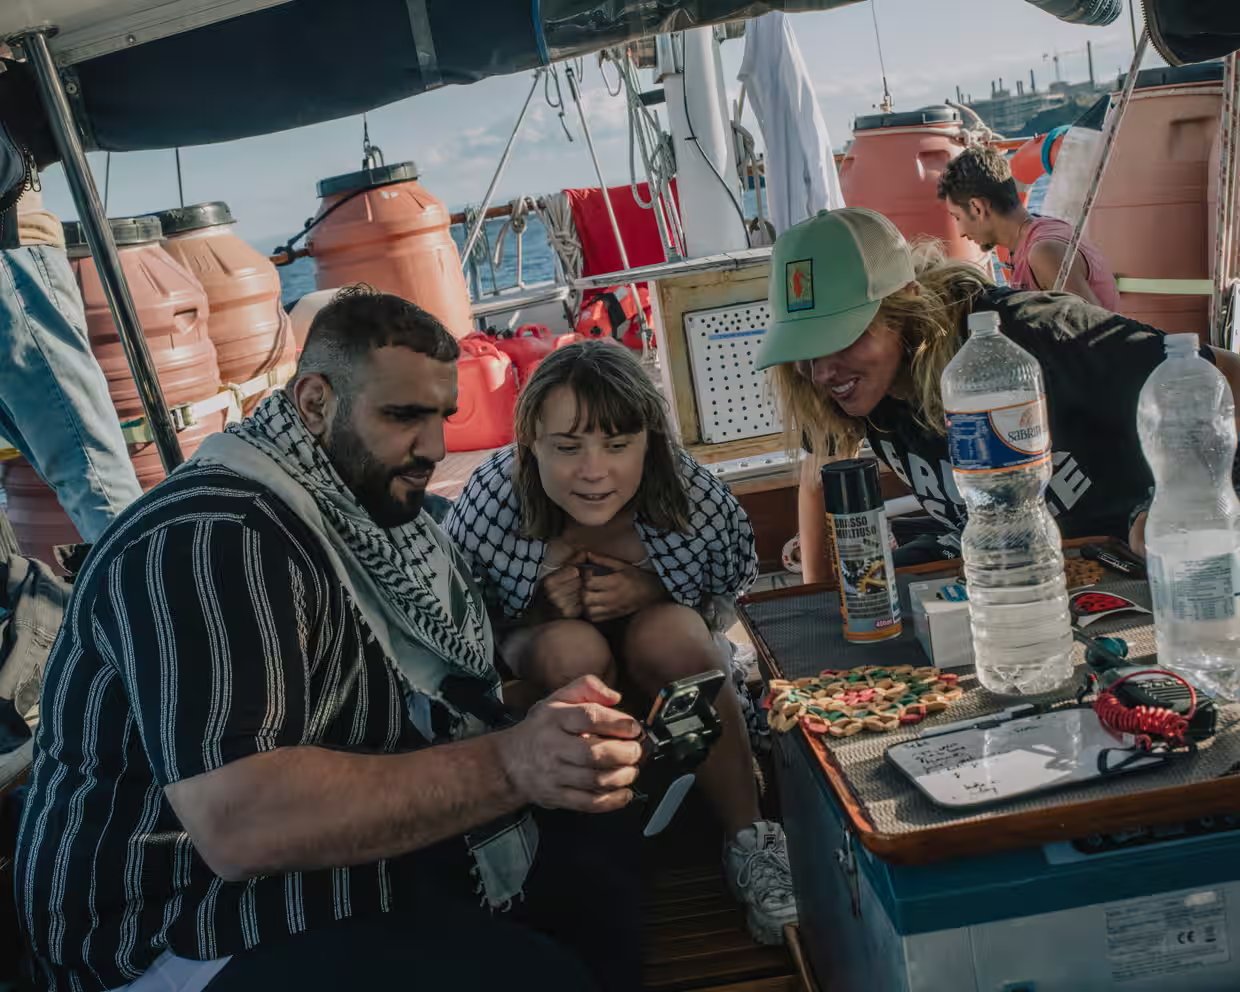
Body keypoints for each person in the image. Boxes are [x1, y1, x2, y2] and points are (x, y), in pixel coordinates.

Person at [15, 287, 647, 992]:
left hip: (313, 867)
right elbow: (243, 824)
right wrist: (513, 762)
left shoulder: (363, 506)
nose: (435, 448)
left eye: (441, 416)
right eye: (403, 416)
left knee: (603, 871)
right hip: (174, 926)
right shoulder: (215, 539)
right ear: (315, 402)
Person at [444, 341, 798, 946]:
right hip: (546, 660)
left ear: (649, 443)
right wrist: (537, 605)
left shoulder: (694, 497)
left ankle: (750, 836)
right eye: (567, 447)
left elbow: (725, 596)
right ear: (529, 443)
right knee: (573, 652)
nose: (593, 471)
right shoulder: (489, 503)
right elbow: (463, 629)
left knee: (675, 634)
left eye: (616, 445)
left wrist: (653, 587)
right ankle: (602, 847)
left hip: (666, 663)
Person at [756, 207, 1240, 579]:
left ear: (905, 302)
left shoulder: (1037, 334)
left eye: (843, 338)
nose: (823, 371)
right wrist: (815, 607)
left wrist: (1184, 497)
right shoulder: (845, 386)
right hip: (1000, 569)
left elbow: (1226, 376)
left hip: (1126, 564)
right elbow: (819, 477)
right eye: (806, 349)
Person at [0, 57, 144, 547]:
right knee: (92, 476)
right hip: (11, 256)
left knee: (87, 475)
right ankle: (144, 584)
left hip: (11, 253)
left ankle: (140, 584)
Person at [937, 144, 1122, 310]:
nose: (960, 232)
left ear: (978, 208)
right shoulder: (1030, 240)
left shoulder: (1045, 252)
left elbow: (1095, 331)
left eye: (957, 217)